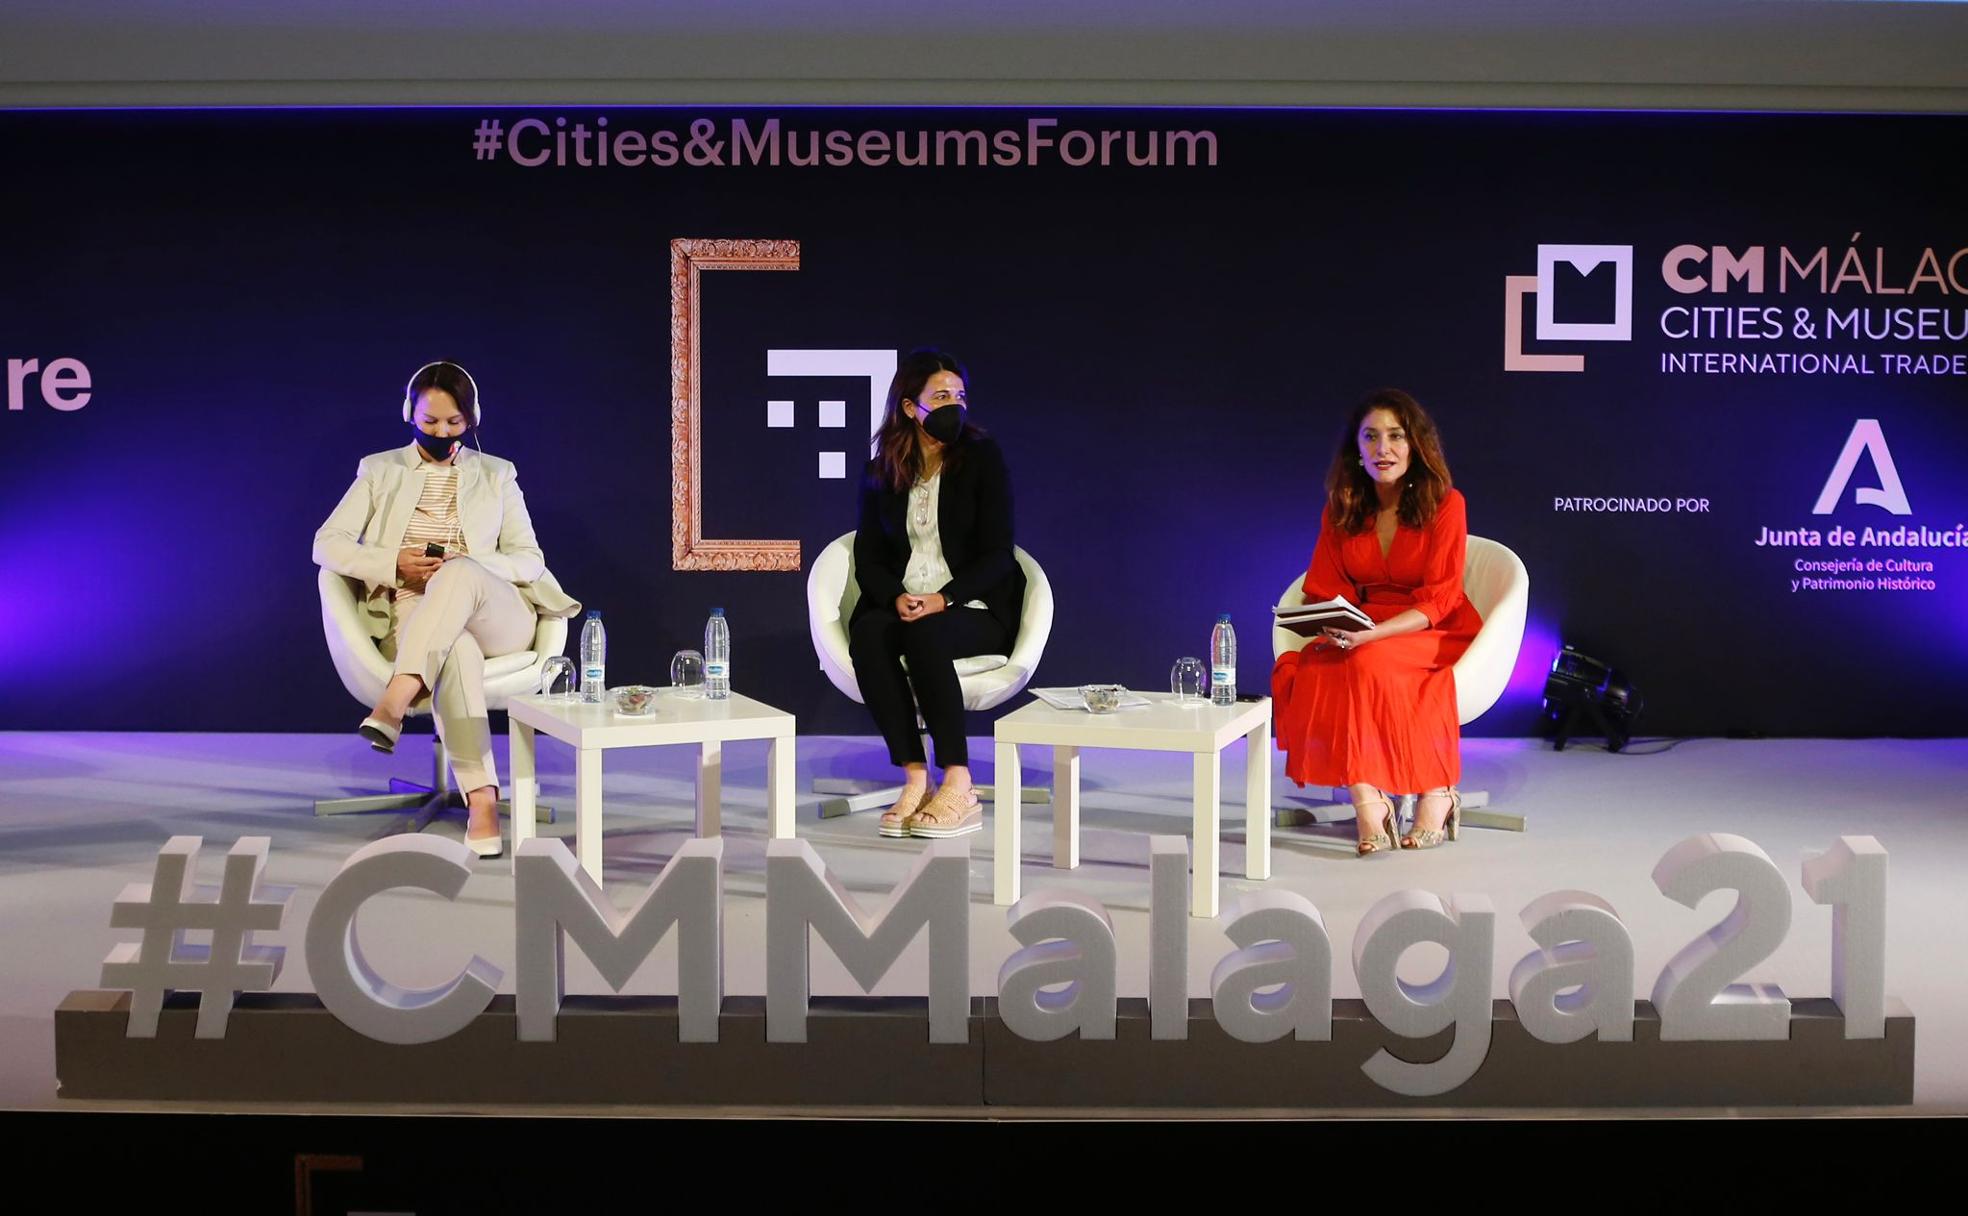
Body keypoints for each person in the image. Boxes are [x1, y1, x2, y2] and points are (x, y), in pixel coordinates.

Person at [313, 361, 580, 858]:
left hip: (497, 610)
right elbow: (326, 545)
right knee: (454, 648)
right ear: (408, 413)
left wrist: (466, 562)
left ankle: (394, 703)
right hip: (416, 608)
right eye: (429, 421)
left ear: (472, 417)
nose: (440, 432)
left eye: (454, 423)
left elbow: (528, 559)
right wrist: (394, 563)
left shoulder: (498, 474)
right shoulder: (379, 469)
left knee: (457, 572)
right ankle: (481, 799)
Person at [1271, 389, 1482, 855]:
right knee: (1313, 665)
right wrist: (1331, 621)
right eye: (1371, 437)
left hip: (1435, 627)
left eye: (1395, 436)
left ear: (1416, 445)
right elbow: (1323, 585)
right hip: (1366, 625)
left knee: (1369, 661)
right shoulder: (1342, 506)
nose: (1383, 449)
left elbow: (1442, 595)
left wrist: (1374, 633)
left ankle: (1437, 790)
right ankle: (1369, 799)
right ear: (1356, 449)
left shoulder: (1447, 503)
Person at [849, 349, 1025, 840]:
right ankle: (915, 777)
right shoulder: (881, 469)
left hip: (973, 605)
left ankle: (959, 781)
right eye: (941, 396)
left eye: (960, 396)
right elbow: (868, 556)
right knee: (869, 635)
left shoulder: (982, 459)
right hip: (909, 600)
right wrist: (894, 597)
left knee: (926, 631)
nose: (955, 405)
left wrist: (943, 598)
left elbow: (999, 554)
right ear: (910, 407)